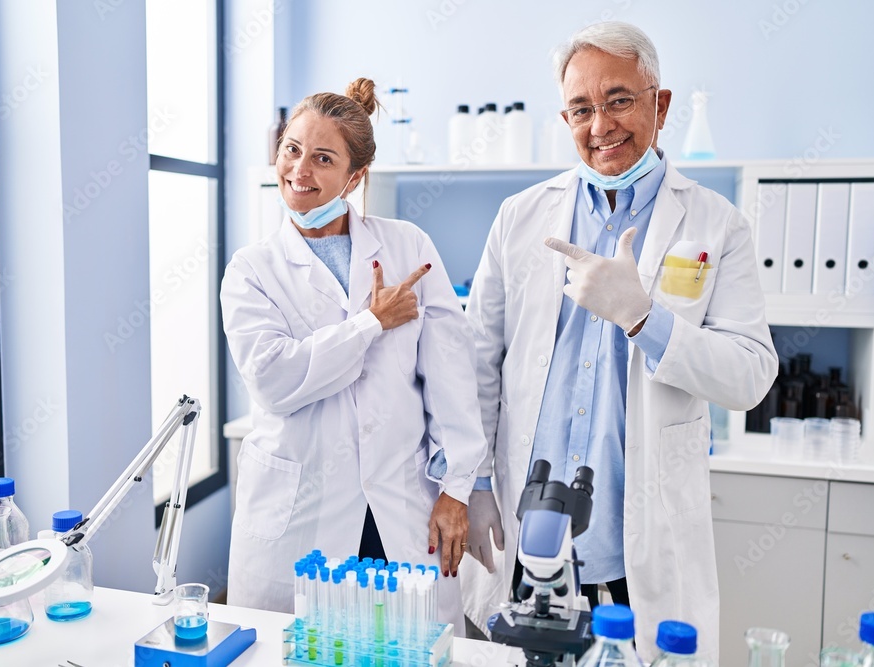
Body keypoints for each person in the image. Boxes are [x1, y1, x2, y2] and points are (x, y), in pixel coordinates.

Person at [460, 22, 777, 662]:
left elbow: (749, 376)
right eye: (581, 108)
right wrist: (472, 483)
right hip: (522, 537)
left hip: (637, 553)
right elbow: (476, 366)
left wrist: (642, 317)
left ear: (659, 105)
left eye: (619, 100)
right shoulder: (521, 217)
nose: (600, 124)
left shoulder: (718, 223)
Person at [221, 78, 487, 632]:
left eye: (323, 158)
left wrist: (456, 489)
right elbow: (275, 380)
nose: (300, 171)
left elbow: (450, 376)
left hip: (398, 504)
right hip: (300, 509)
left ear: (354, 176)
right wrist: (371, 322)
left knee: (409, 645)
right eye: (292, 150)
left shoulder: (407, 245)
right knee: (301, 647)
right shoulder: (251, 270)